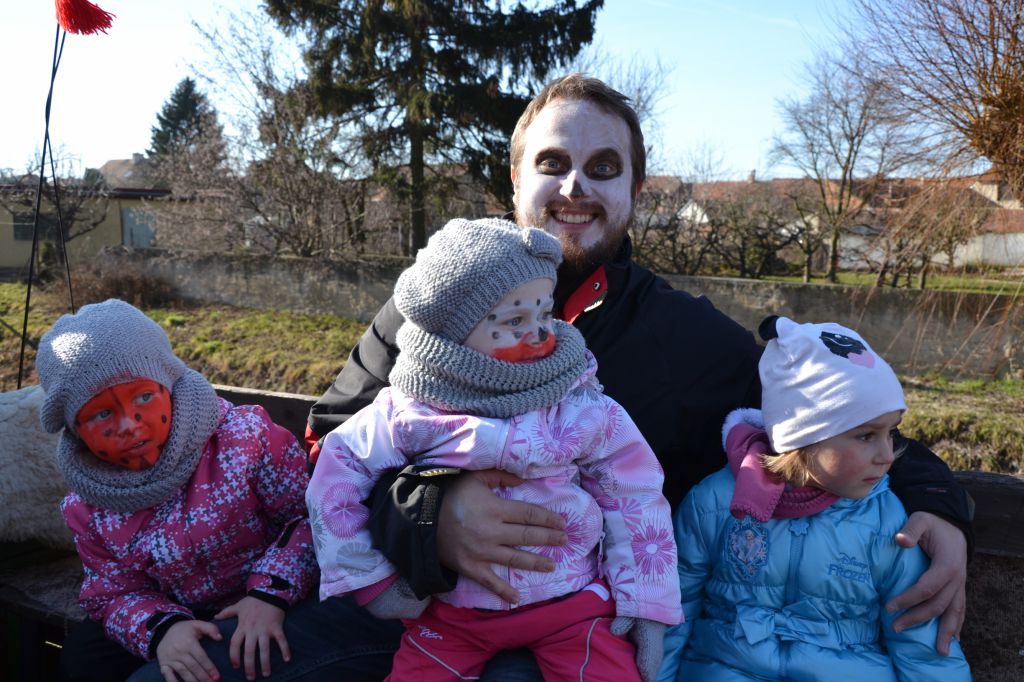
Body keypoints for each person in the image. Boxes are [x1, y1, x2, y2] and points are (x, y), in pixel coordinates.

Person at [307, 74, 974, 678]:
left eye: (603, 167)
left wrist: (937, 505)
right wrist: (427, 515)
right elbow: (331, 438)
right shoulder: (433, 305)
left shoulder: (689, 337)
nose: (575, 186)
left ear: (636, 190)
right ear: (514, 179)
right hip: (418, 615)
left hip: (576, 627)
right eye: (551, 163)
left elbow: (823, 421)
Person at [307, 218, 680, 681]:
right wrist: (373, 578)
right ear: (453, 334)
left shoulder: (575, 400)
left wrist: (645, 601)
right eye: (515, 321)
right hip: (451, 613)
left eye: (545, 314)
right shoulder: (409, 410)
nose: (540, 334)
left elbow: (634, 492)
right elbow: (336, 477)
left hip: (571, 604)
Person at [37, 299, 401, 682]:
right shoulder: (88, 504)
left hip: (278, 594)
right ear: (75, 430)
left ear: (169, 385)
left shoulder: (244, 440)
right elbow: (112, 591)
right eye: (101, 414)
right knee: (83, 660)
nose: (129, 424)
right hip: (178, 609)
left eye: (144, 397)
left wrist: (270, 592)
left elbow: (310, 516)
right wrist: (162, 629)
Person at [656, 316, 971, 681]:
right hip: (726, 668)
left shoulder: (888, 522)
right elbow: (672, 613)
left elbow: (920, 644)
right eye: (866, 436)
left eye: (891, 432)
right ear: (802, 435)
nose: (888, 454)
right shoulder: (714, 504)